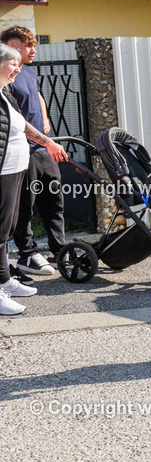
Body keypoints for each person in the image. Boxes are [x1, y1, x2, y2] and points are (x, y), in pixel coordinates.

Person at [0, 44, 68, 315]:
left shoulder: (4, 93)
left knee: (5, 231)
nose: (19, 69)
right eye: (13, 64)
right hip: (3, 171)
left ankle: (5, 279)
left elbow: (22, 124)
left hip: (15, 170)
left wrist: (47, 141)